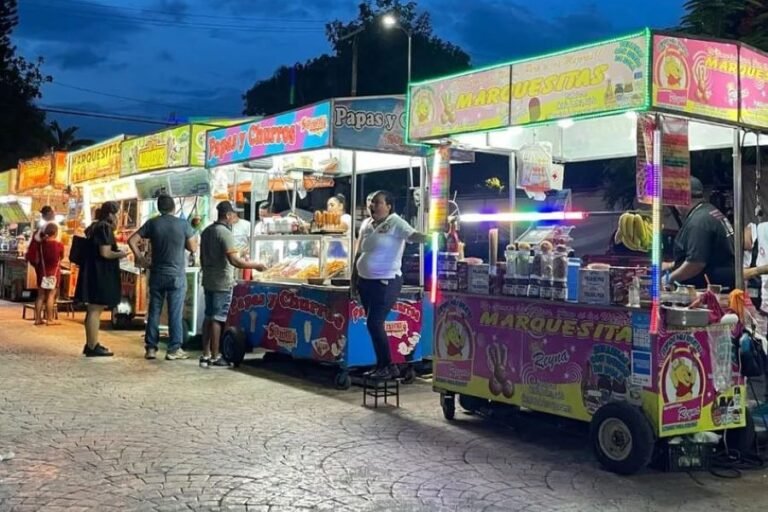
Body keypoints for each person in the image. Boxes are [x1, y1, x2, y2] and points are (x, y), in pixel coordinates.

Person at [353, 190, 427, 379]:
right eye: (371, 202)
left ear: (389, 206)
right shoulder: (366, 224)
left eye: (377, 202)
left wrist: (431, 237)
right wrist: (354, 280)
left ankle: (388, 366)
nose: (372, 206)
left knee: (374, 323)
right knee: (372, 325)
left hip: (386, 280)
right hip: (365, 281)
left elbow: (413, 235)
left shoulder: (396, 222)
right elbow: (358, 251)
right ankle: (381, 365)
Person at [128, 194, 198, 361]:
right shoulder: (183, 224)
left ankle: (151, 348)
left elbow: (132, 240)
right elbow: (193, 248)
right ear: (174, 207)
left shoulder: (152, 223)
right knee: (175, 313)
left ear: (159, 208)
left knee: (154, 312)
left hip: (157, 274)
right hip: (176, 276)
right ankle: (174, 349)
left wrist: (140, 258)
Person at [199, 201, 266, 368]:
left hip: (208, 279)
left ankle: (205, 354)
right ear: (228, 215)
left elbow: (205, 256)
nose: (235, 218)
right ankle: (216, 356)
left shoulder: (207, 231)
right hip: (222, 281)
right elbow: (234, 261)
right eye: (233, 215)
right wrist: (256, 265)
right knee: (218, 318)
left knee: (209, 316)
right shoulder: (225, 233)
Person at [74, 201, 127, 357]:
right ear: (110, 214)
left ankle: (91, 343)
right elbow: (105, 252)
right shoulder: (104, 228)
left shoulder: (95, 226)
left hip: (92, 271)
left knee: (93, 309)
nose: (118, 217)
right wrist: (121, 254)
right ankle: (92, 346)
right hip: (99, 273)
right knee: (95, 309)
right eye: (117, 214)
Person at [665, 177, 735, 290]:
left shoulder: (699, 222)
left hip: (713, 289)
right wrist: (671, 265)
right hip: (723, 284)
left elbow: (695, 264)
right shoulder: (709, 211)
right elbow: (709, 254)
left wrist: (668, 279)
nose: (675, 205)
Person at [30, 223, 64, 326]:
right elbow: (61, 257)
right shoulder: (59, 245)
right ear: (56, 233)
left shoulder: (41, 245)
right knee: (51, 296)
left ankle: (37, 319)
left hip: (42, 272)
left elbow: (37, 258)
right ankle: (50, 319)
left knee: (40, 296)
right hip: (54, 273)